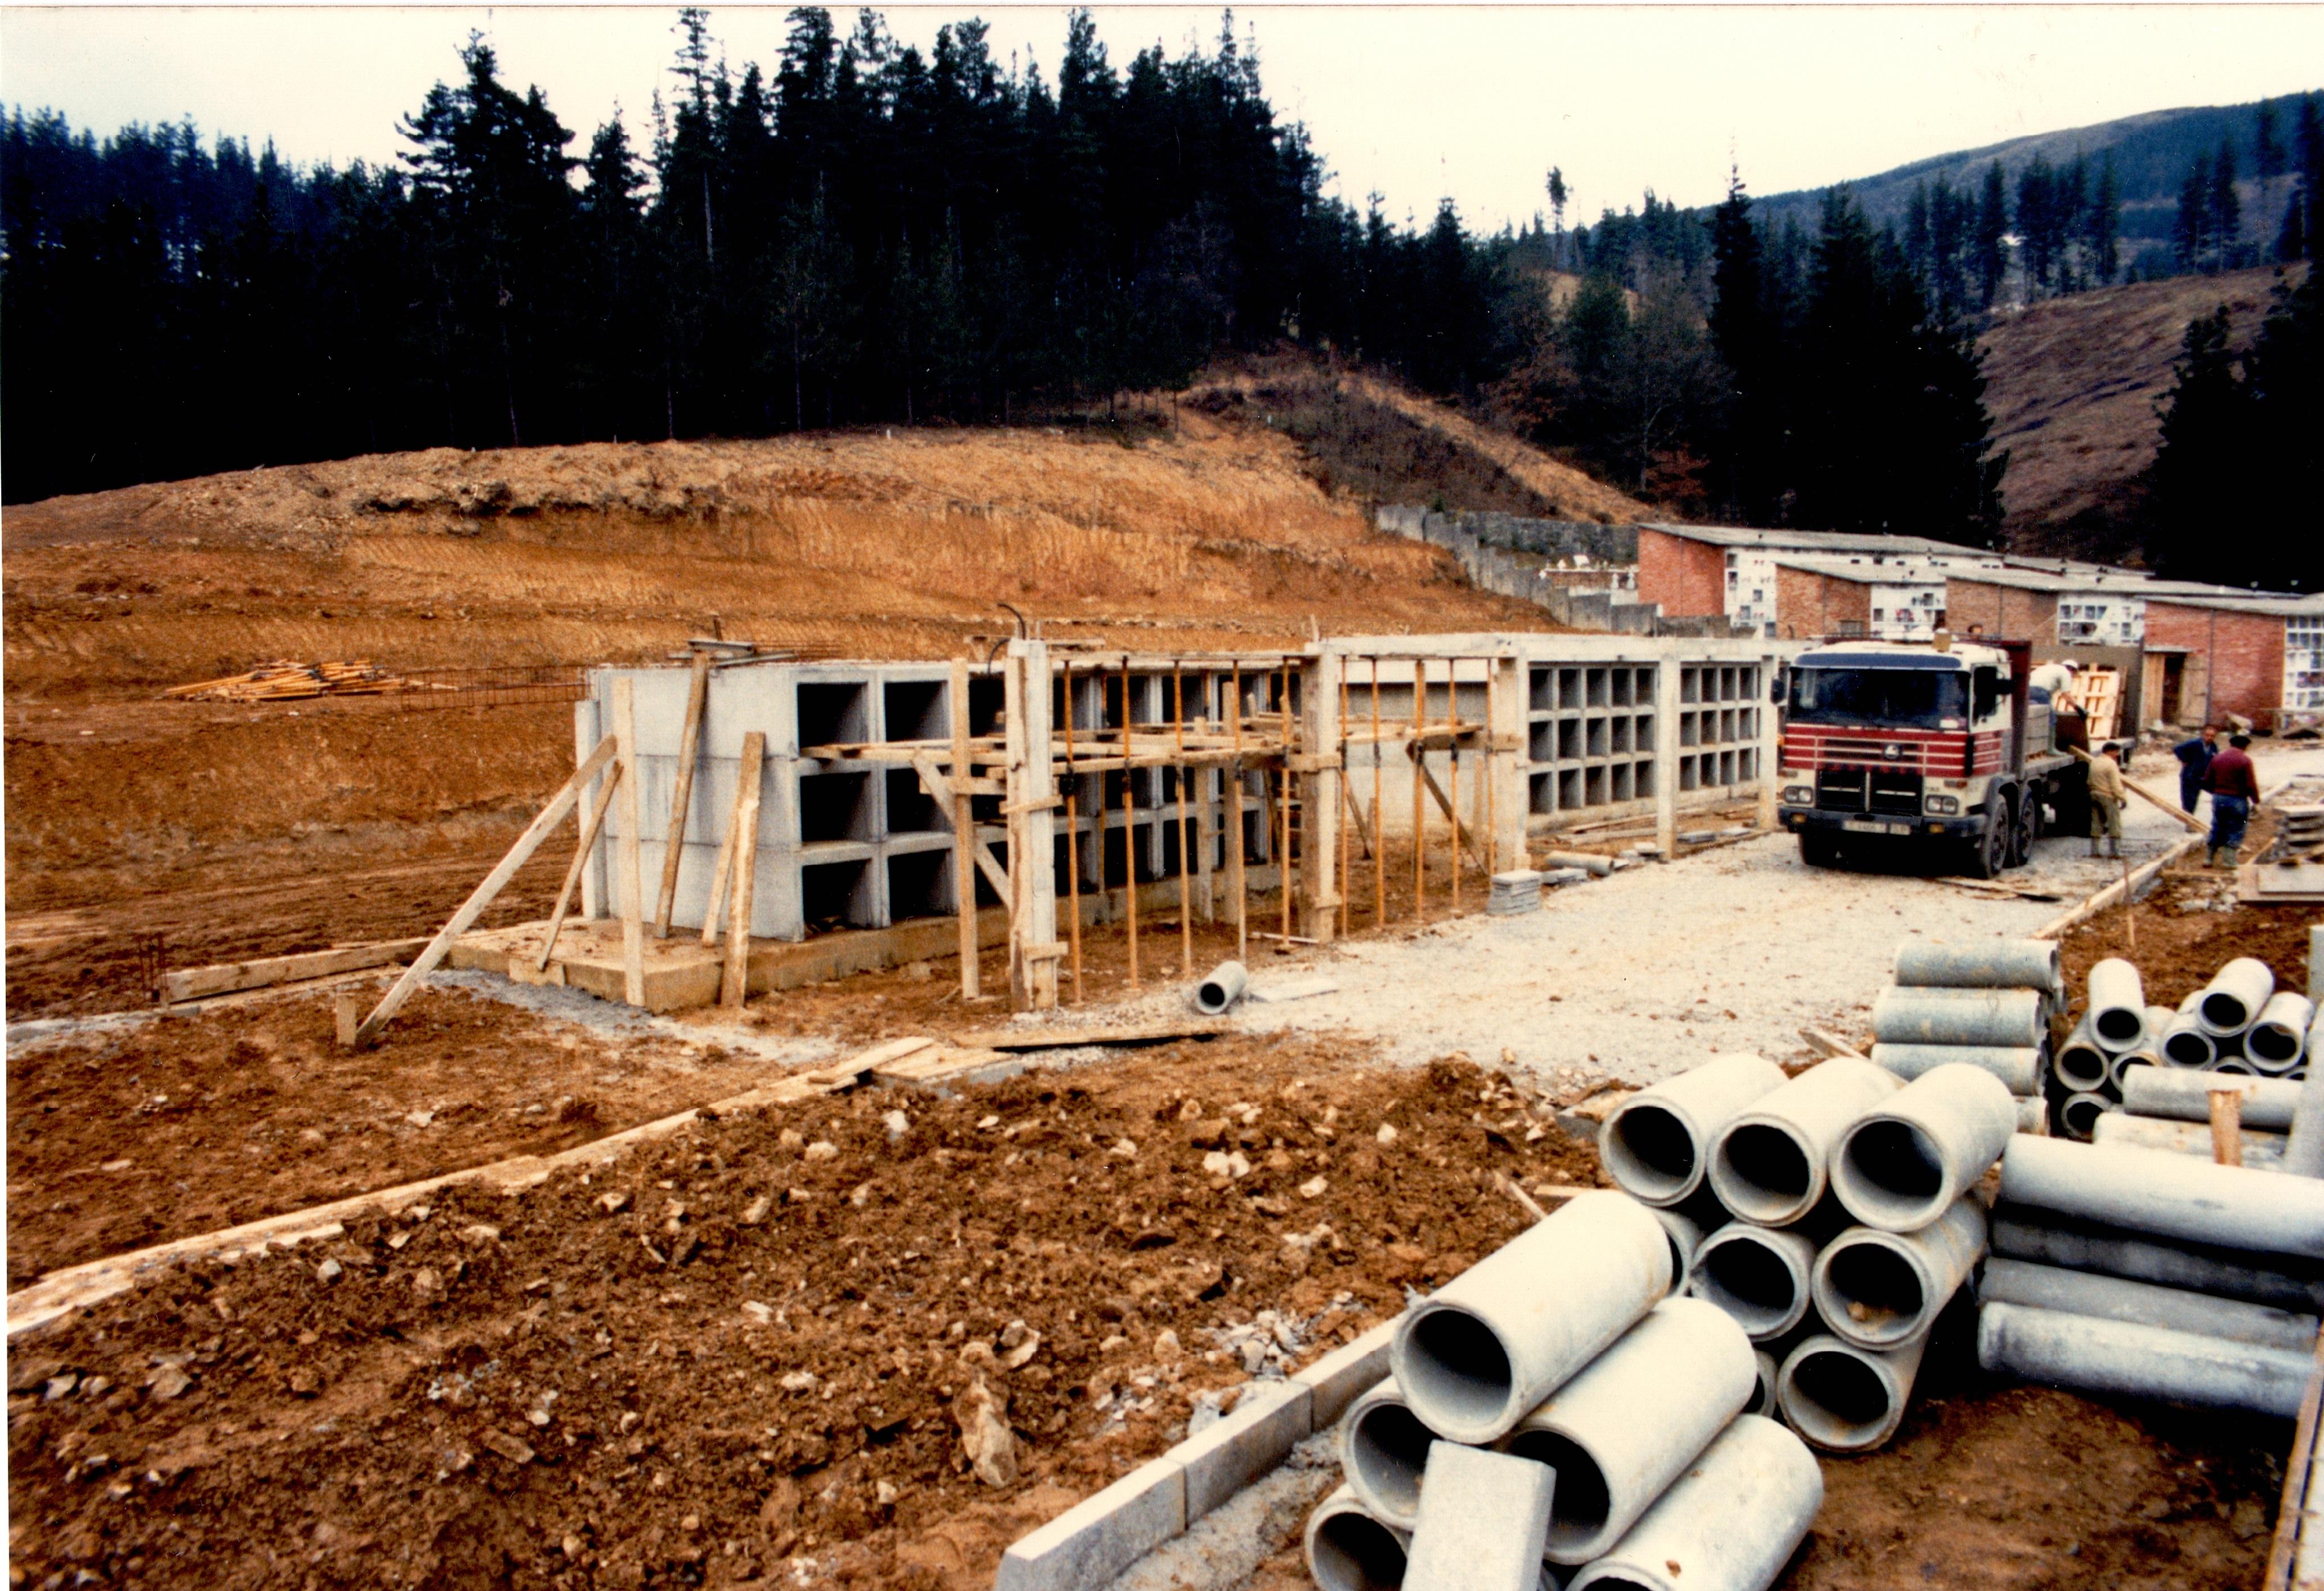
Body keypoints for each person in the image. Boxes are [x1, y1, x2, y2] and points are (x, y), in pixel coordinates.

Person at [2204, 731, 2260, 868]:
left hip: (2219, 798)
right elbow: (2250, 784)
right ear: (2245, 747)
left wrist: (2217, 793)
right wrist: (2256, 801)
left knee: (2217, 825)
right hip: (2238, 800)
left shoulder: (2217, 758)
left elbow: (2206, 781)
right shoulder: (2245, 760)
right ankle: (2229, 861)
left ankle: (2209, 858)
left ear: (2231, 744)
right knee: (2237, 827)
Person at [2087, 741, 2125, 859]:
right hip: (2107, 796)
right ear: (2110, 751)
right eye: (2116, 752)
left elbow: (2089, 781)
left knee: (2096, 823)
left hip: (2094, 794)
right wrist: (2122, 798)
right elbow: (2115, 785)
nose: (2117, 755)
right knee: (2114, 823)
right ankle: (2115, 852)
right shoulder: (2111, 764)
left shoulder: (2094, 762)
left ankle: (2095, 851)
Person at [2174, 725, 2219, 815]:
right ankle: (2189, 820)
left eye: (2212, 736)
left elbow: (2215, 760)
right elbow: (2178, 749)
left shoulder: (2214, 747)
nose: (2209, 738)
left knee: (2218, 792)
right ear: (2203, 735)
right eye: (2207, 735)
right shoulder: (2195, 743)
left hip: (2203, 776)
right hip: (2191, 776)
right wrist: (2185, 760)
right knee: (2190, 799)